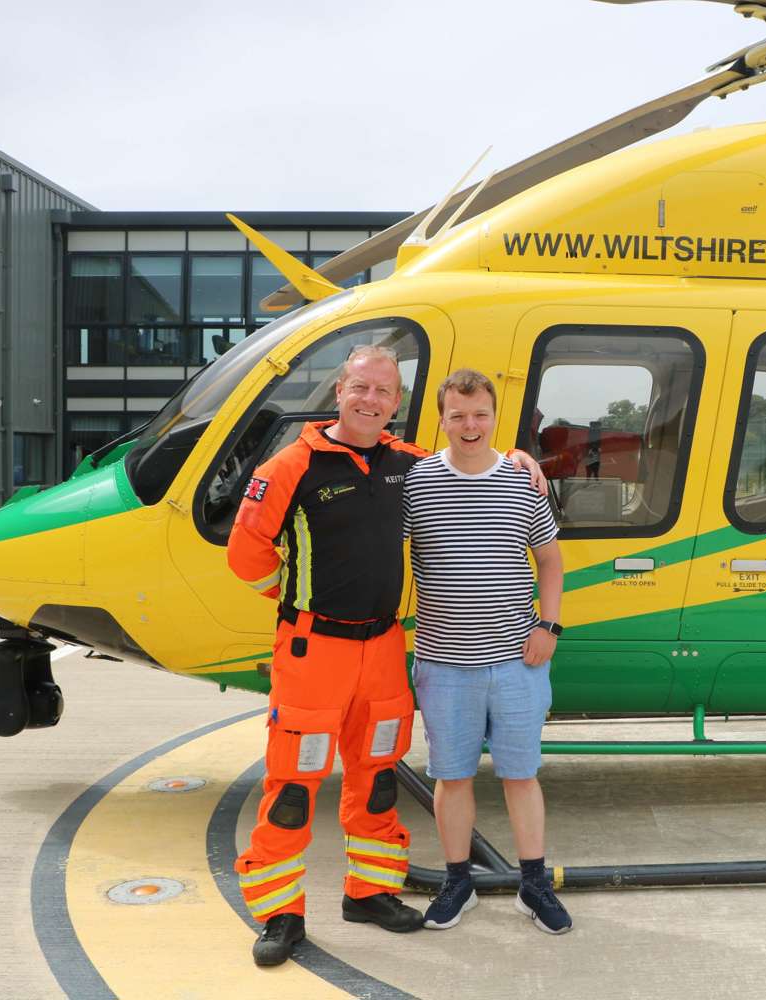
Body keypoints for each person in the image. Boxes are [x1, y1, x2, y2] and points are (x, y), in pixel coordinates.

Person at [227, 345, 544, 967]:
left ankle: (369, 892)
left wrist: (519, 459)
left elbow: (470, 456)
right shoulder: (291, 465)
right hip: (313, 649)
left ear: (397, 403)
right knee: (294, 785)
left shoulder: (411, 464)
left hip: (383, 647)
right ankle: (280, 914)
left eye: (383, 392)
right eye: (360, 388)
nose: (370, 400)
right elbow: (246, 554)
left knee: (375, 780)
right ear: (340, 390)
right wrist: (292, 599)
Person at [404, 368, 571, 934]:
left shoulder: (524, 480)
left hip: (516, 662)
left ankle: (533, 883)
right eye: (457, 416)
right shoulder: (418, 481)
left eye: (479, 415)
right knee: (452, 778)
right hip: (445, 663)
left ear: (495, 418)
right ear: (442, 420)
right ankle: (458, 881)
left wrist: (549, 624)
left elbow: (549, 559)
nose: (469, 426)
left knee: (521, 775)